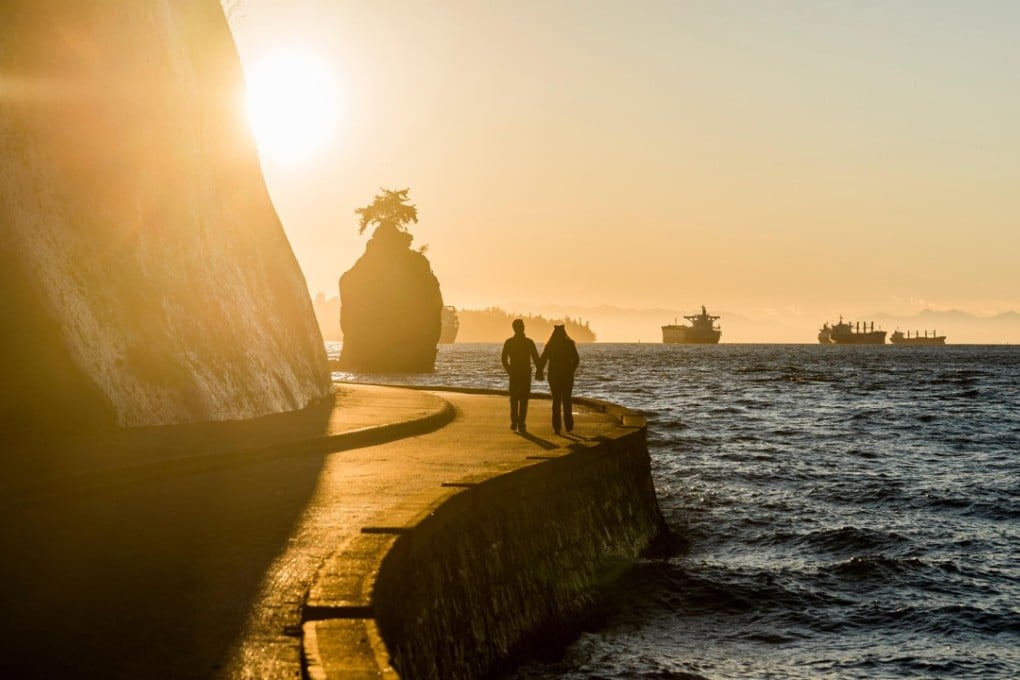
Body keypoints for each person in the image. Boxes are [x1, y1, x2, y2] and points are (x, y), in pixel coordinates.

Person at [538, 324, 580, 434]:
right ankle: (569, 425)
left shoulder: (550, 345)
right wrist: (571, 370)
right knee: (567, 400)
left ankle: (556, 427)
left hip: (553, 375)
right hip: (567, 375)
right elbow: (576, 360)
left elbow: (543, 360)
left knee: (556, 401)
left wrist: (539, 372)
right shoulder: (570, 344)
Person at [501, 318, 541, 432]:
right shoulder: (529, 342)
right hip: (525, 374)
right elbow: (536, 359)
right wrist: (539, 370)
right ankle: (521, 423)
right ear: (522, 327)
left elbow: (503, 359)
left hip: (514, 373)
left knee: (514, 399)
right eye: (522, 326)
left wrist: (510, 371)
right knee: (524, 399)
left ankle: (514, 422)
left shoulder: (509, 342)